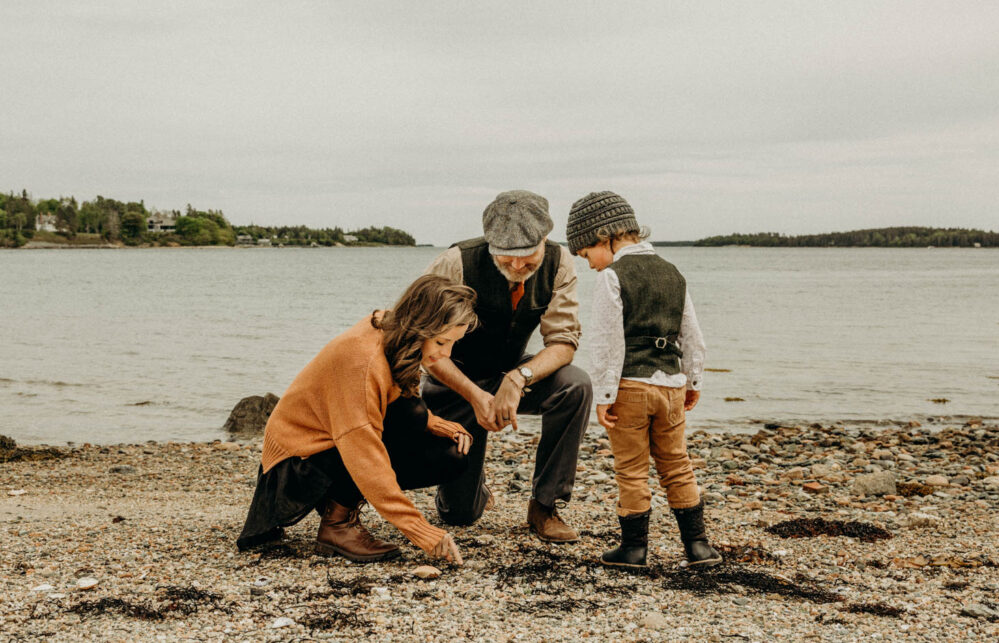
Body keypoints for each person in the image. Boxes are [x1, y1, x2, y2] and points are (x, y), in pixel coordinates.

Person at [236, 275, 478, 565]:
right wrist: (421, 531)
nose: (446, 354)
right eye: (441, 341)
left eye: (454, 343)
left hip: (330, 444)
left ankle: (338, 508)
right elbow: (364, 453)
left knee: (450, 454)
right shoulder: (362, 362)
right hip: (296, 462)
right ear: (419, 326)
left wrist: (433, 423)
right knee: (399, 447)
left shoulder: (392, 331)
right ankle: (337, 526)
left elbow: (393, 398)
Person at [423, 190, 592, 542]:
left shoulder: (559, 263)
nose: (517, 266)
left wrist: (517, 378)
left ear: (545, 237)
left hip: (509, 373)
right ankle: (469, 491)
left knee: (575, 385)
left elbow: (563, 343)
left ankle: (545, 506)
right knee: (460, 516)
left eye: (527, 256)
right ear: (489, 242)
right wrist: (474, 394)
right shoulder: (455, 262)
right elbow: (426, 347)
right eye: (505, 255)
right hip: (455, 382)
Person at [566, 191, 721, 569]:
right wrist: (693, 380)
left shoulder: (612, 277)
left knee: (632, 468)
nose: (589, 265)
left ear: (604, 237)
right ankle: (698, 546)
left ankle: (634, 548)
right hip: (671, 385)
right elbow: (692, 335)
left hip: (630, 388)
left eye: (586, 254)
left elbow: (607, 342)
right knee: (677, 463)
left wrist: (604, 394)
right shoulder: (672, 272)